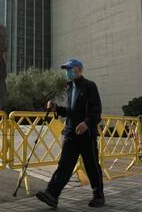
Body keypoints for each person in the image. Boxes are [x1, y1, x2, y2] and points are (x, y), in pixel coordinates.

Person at [36, 59, 105, 208]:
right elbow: (71, 112)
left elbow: (97, 111)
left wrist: (86, 123)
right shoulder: (69, 87)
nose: (67, 72)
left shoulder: (89, 86)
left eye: (69, 69)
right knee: (65, 165)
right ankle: (52, 195)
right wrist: (56, 109)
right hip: (71, 134)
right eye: (66, 69)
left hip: (87, 135)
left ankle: (98, 196)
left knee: (91, 165)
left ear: (79, 70)